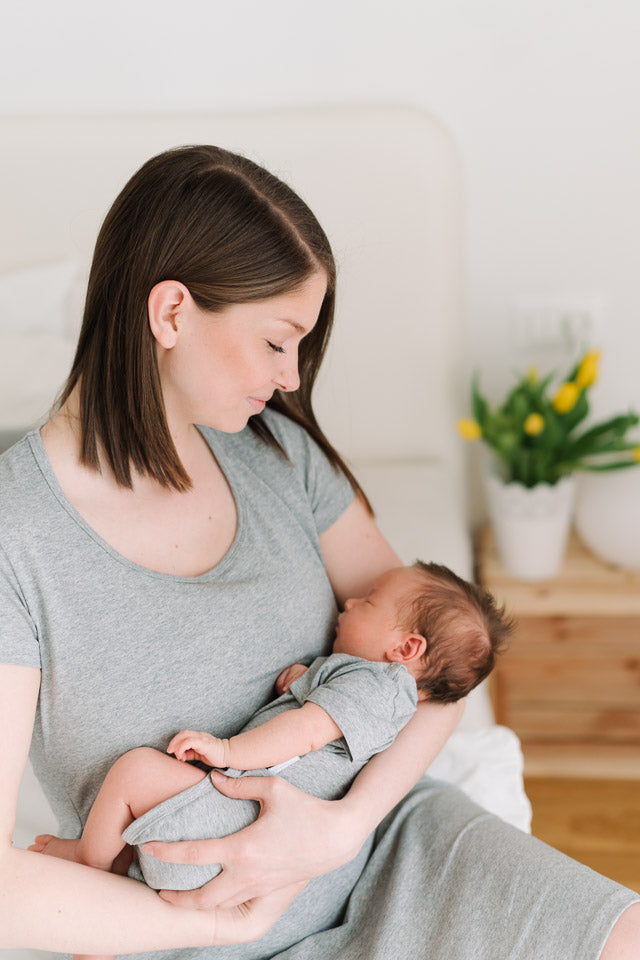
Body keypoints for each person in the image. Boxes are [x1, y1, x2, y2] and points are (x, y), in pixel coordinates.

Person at [1, 144, 638, 960]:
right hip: (202, 933)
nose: (293, 378)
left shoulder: (278, 457)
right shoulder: (16, 536)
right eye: (276, 341)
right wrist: (211, 921)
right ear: (170, 313)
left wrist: (342, 825)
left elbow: (441, 662)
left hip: (389, 854)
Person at [30, 560, 512, 911]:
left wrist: (226, 749)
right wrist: (306, 681)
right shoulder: (382, 695)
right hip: (236, 848)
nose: (349, 602)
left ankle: (91, 858)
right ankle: (107, 905)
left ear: (405, 647)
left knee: (135, 770)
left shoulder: (379, 684)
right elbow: (322, 718)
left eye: (367, 603)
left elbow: (304, 733)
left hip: (232, 819)